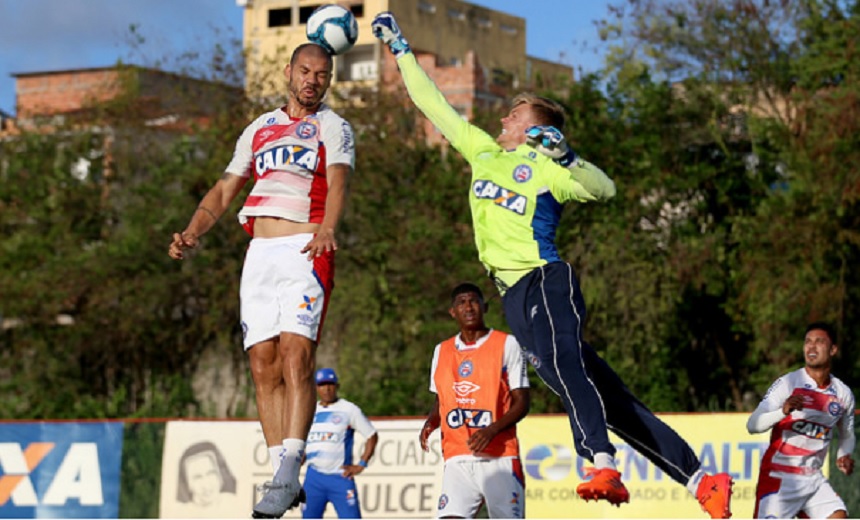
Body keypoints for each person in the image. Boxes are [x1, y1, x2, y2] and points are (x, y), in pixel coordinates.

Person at [371, 12, 733, 518]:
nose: (502, 120)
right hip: (513, 298)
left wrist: (567, 159)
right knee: (603, 396)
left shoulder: (547, 168)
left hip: (545, 280)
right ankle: (702, 479)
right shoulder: (483, 152)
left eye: (513, 115)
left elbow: (604, 190)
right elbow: (433, 104)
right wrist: (400, 50)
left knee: (567, 366)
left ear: (535, 128)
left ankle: (599, 461)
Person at [168, 42, 355, 518]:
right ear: (289, 72)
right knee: (262, 363)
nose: (313, 80)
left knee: (297, 352)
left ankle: (292, 464)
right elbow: (226, 187)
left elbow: (337, 181)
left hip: (306, 248)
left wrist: (329, 226)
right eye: (306, 71)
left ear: (329, 80)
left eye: (323, 74)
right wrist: (192, 231)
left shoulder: (334, 127)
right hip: (260, 253)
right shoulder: (259, 127)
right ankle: (281, 476)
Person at [419, 282, 530, 519]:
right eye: (461, 302)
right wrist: (431, 421)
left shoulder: (506, 344)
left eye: (473, 301)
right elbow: (442, 397)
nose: (468, 307)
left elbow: (522, 402)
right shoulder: (442, 350)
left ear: (484, 307)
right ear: (453, 312)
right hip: (457, 456)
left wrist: (492, 430)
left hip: (499, 457)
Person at [747, 322, 856, 519]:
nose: (811, 347)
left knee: (838, 516)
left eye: (819, 342)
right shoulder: (787, 383)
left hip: (812, 479)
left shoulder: (843, 393)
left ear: (833, 349)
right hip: (779, 478)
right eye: (807, 342)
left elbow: (847, 434)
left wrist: (844, 455)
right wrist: (783, 411)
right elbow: (753, 425)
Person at [301, 368, 379, 519]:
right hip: (314, 478)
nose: (327, 388)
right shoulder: (309, 410)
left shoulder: (349, 409)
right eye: (322, 384)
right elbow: (303, 439)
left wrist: (362, 464)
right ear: (316, 387)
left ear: (337, 386)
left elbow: (371, 435)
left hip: (340, 477)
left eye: (331, 384)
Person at [176, 441, 237, 507]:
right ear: (187, 484)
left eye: (211, 473)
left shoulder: (234, 502)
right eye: (197, 477)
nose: (206, 485)